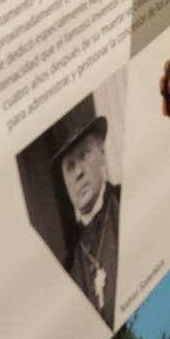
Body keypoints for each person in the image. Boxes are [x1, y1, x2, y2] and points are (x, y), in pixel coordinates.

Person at [49, 98, 123, 326]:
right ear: (64, 182)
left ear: (102, 150)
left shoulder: (127, 200)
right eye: (70, 166)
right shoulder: (69, 267)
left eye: (84, 155)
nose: (78, 172)